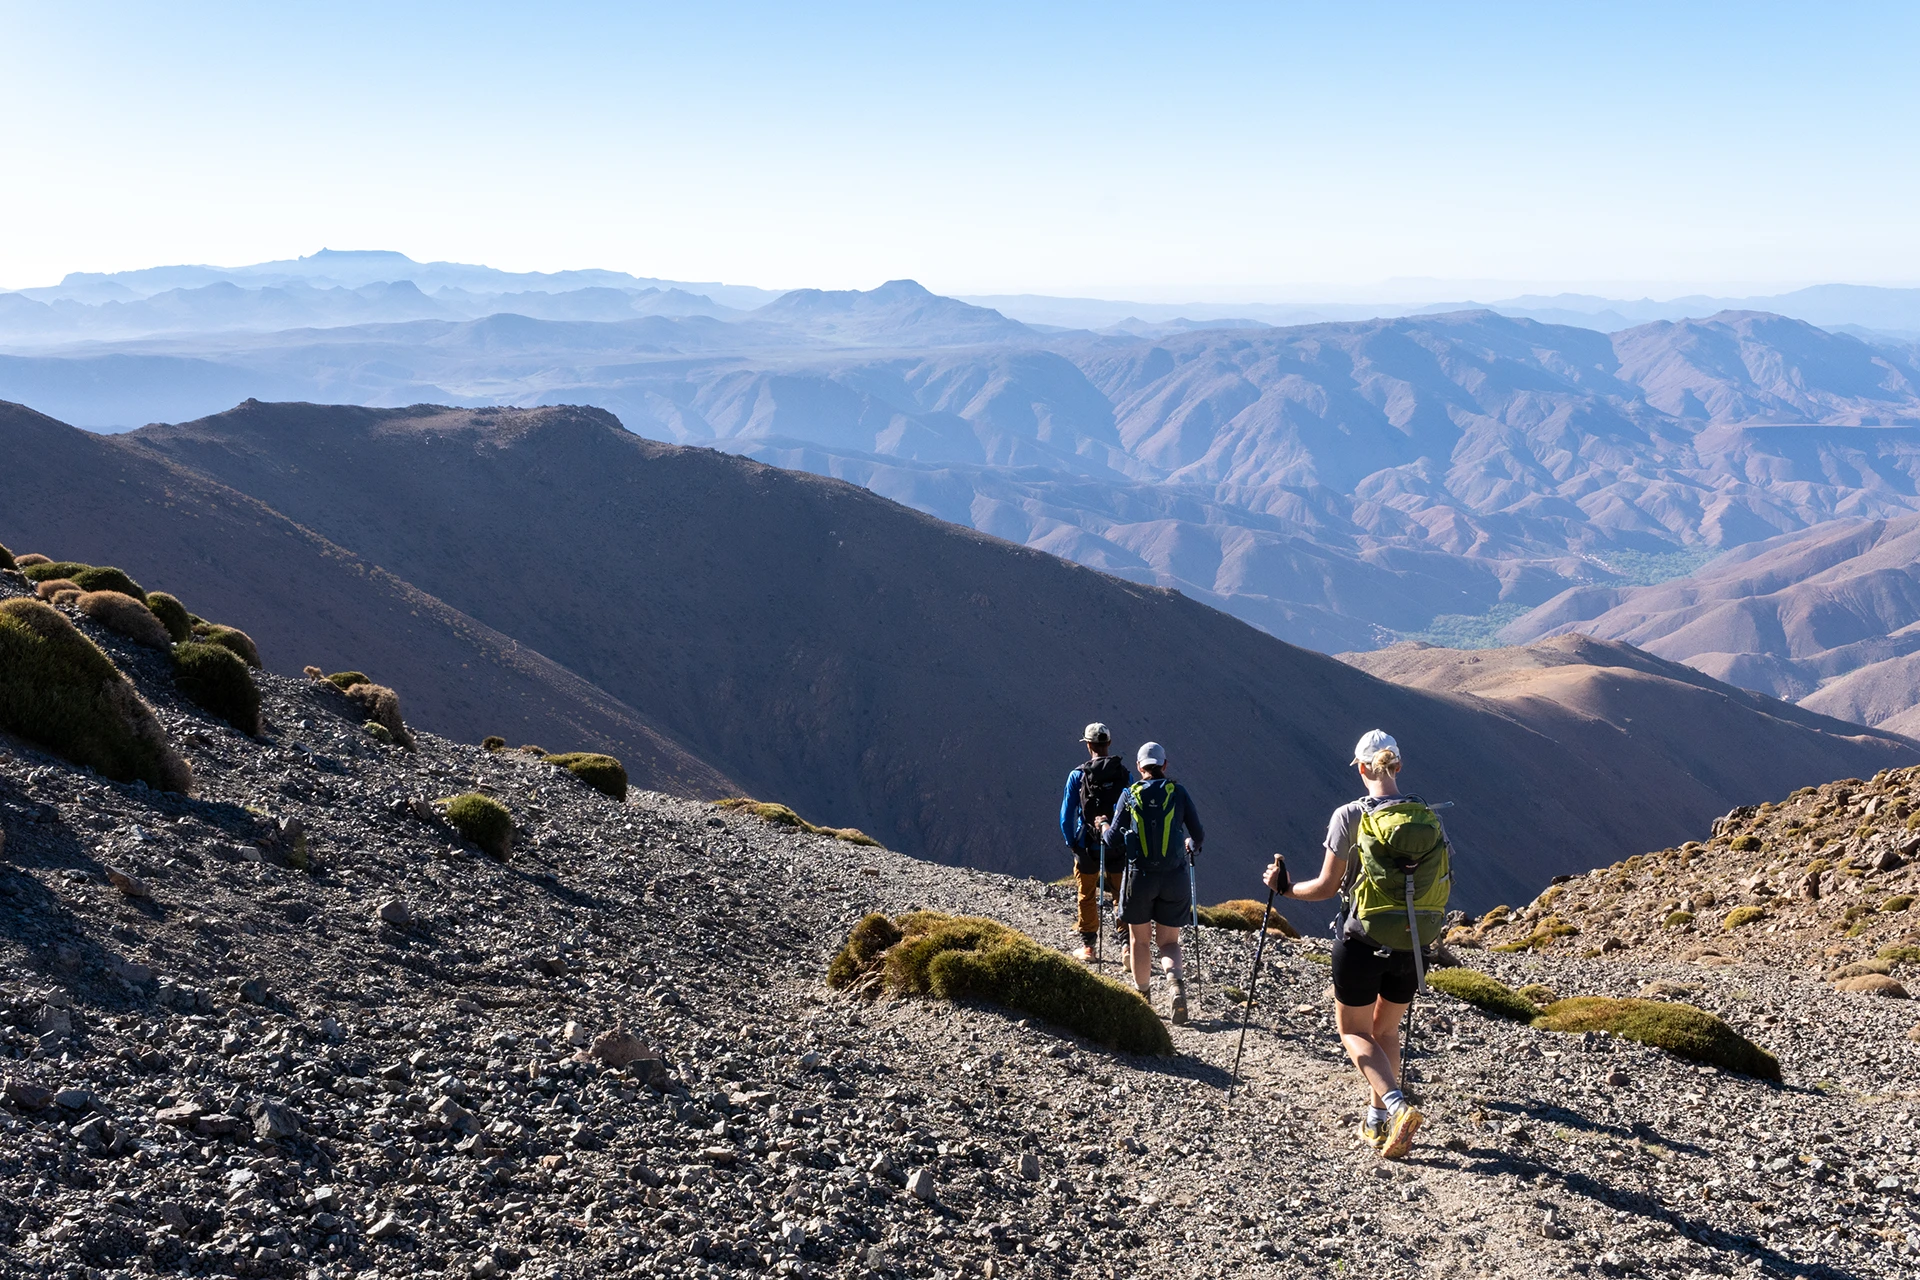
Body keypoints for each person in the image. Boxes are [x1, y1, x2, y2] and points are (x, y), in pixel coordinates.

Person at [1263, 730, 1446, 1160]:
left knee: (1353, 1031)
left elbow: (1327, 887)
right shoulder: (1427, 817)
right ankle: (1376, 1119)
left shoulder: (1349, 815)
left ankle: (1398, 1108)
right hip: (1413, 943)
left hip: (1362, 941)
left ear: (1363, 768)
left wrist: (1285, 889)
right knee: (1385, 1030)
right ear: (1398, 766)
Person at [1105, 741, 1204, 1024]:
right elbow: (1197, 835)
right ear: (1164, 765)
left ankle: (1143, 997)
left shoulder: (1130, 794)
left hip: (1139, 878)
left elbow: (1111, 840)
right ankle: (1175, 987)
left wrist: (1102, 826)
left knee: (1140, 940)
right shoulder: (1178, 793)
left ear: (1139, 767)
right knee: (1169, 942)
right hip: (1174, 878)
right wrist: (1189, 844)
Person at [1060, 723, 1131, 962]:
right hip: (1118, 845)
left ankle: (1089, 947)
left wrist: (1073, 842)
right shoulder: (1124, 774)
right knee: (1121, 895)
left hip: (1087, 845)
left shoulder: (1077, 775)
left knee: (1086, 894)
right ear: (1108, 744)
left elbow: (1066, 815)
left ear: (1088, 745)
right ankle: (1127, 948)